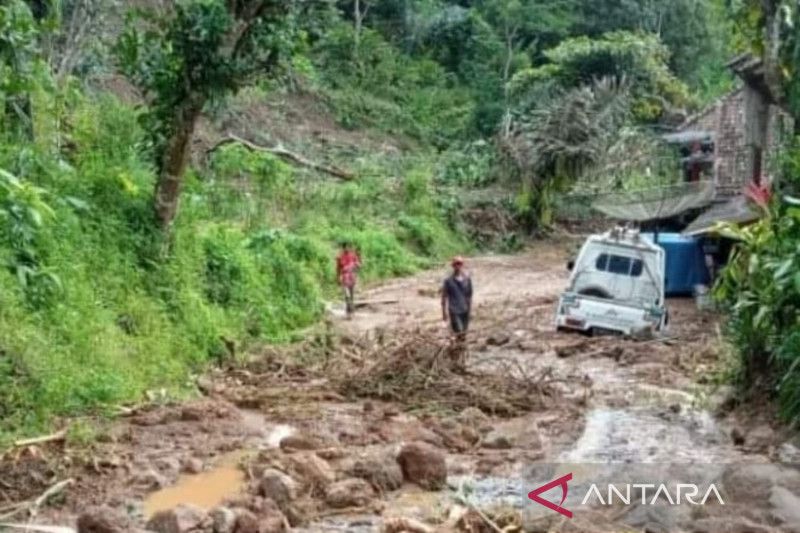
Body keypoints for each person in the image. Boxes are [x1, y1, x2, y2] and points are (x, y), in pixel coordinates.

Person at [441, 256, 472, 340]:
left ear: (462, 265)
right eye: (456, 264)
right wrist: (444, 315)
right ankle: (458, 350)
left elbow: (469, 296)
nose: (458, 266)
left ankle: (460, 351)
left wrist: (469, 311)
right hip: (454, 311)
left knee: (464, 335)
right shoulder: (448, 281)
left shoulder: (467, 279)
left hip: (464, 310)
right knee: (459, 332)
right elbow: (444, 298)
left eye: (460, 264)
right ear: (453, 266)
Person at [336, 241, 361, 317]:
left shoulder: (353, 256)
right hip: (344, 277)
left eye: (348, 247)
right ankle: (349, 310)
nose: (347, 248)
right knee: (347, 295)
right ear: (343, 248)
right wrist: (338, 277)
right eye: (345, 247)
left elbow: (359, 265)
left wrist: (356, 265)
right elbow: (338, 269)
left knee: (352, 294)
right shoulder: (340, 257)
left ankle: (350, 310)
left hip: (352, 276)